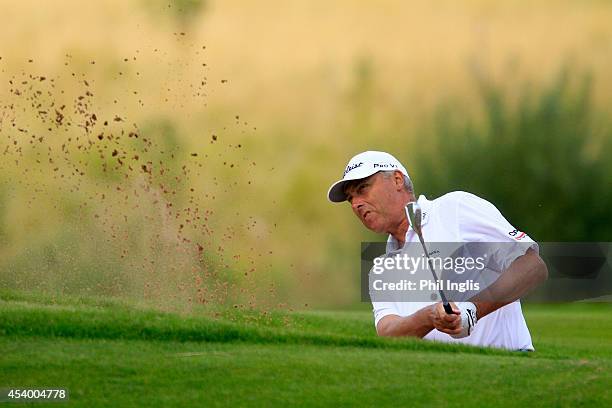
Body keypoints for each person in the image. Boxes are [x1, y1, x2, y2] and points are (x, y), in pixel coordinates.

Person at [327, 151, 548, 350]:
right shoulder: (380, 271)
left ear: (397, 180)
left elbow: (533, 267)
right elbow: (388, 332)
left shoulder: (455, 208)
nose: (356, 203)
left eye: (362, 189)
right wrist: (429, 317)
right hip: (442, 382)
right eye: (350, 199)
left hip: (507, 365)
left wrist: (472, 310)